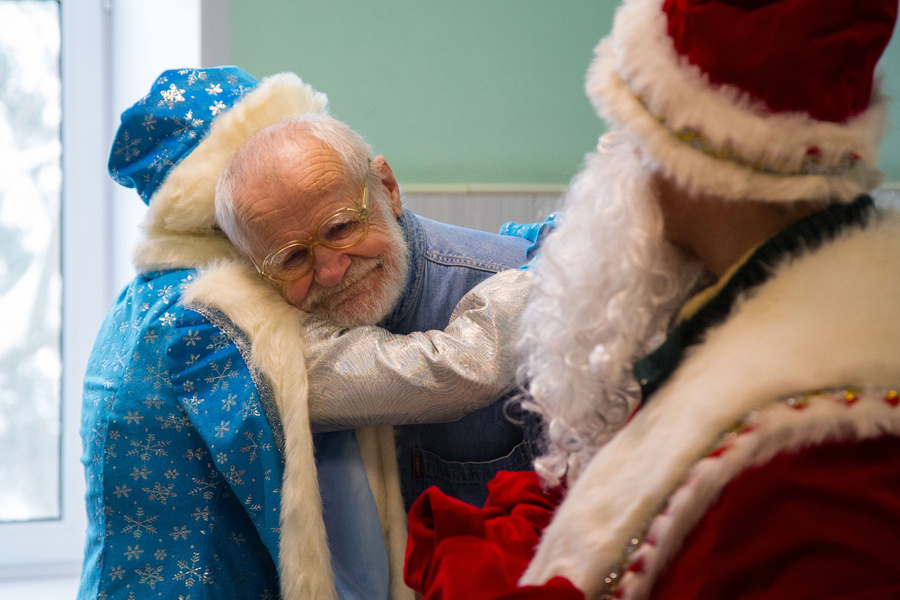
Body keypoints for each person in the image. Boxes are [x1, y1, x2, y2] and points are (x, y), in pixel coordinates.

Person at [403, 0, 900, 598]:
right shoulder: (739, 309)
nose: (616, 155)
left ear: (686, 150)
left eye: (631, 128)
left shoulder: (813, 465)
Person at [80, 66, 539, 600]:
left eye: (341, 225)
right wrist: (551, 264)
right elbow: (445, 370)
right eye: (293, 254)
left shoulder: (146, 299)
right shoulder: (212, 313)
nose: (328, 270)